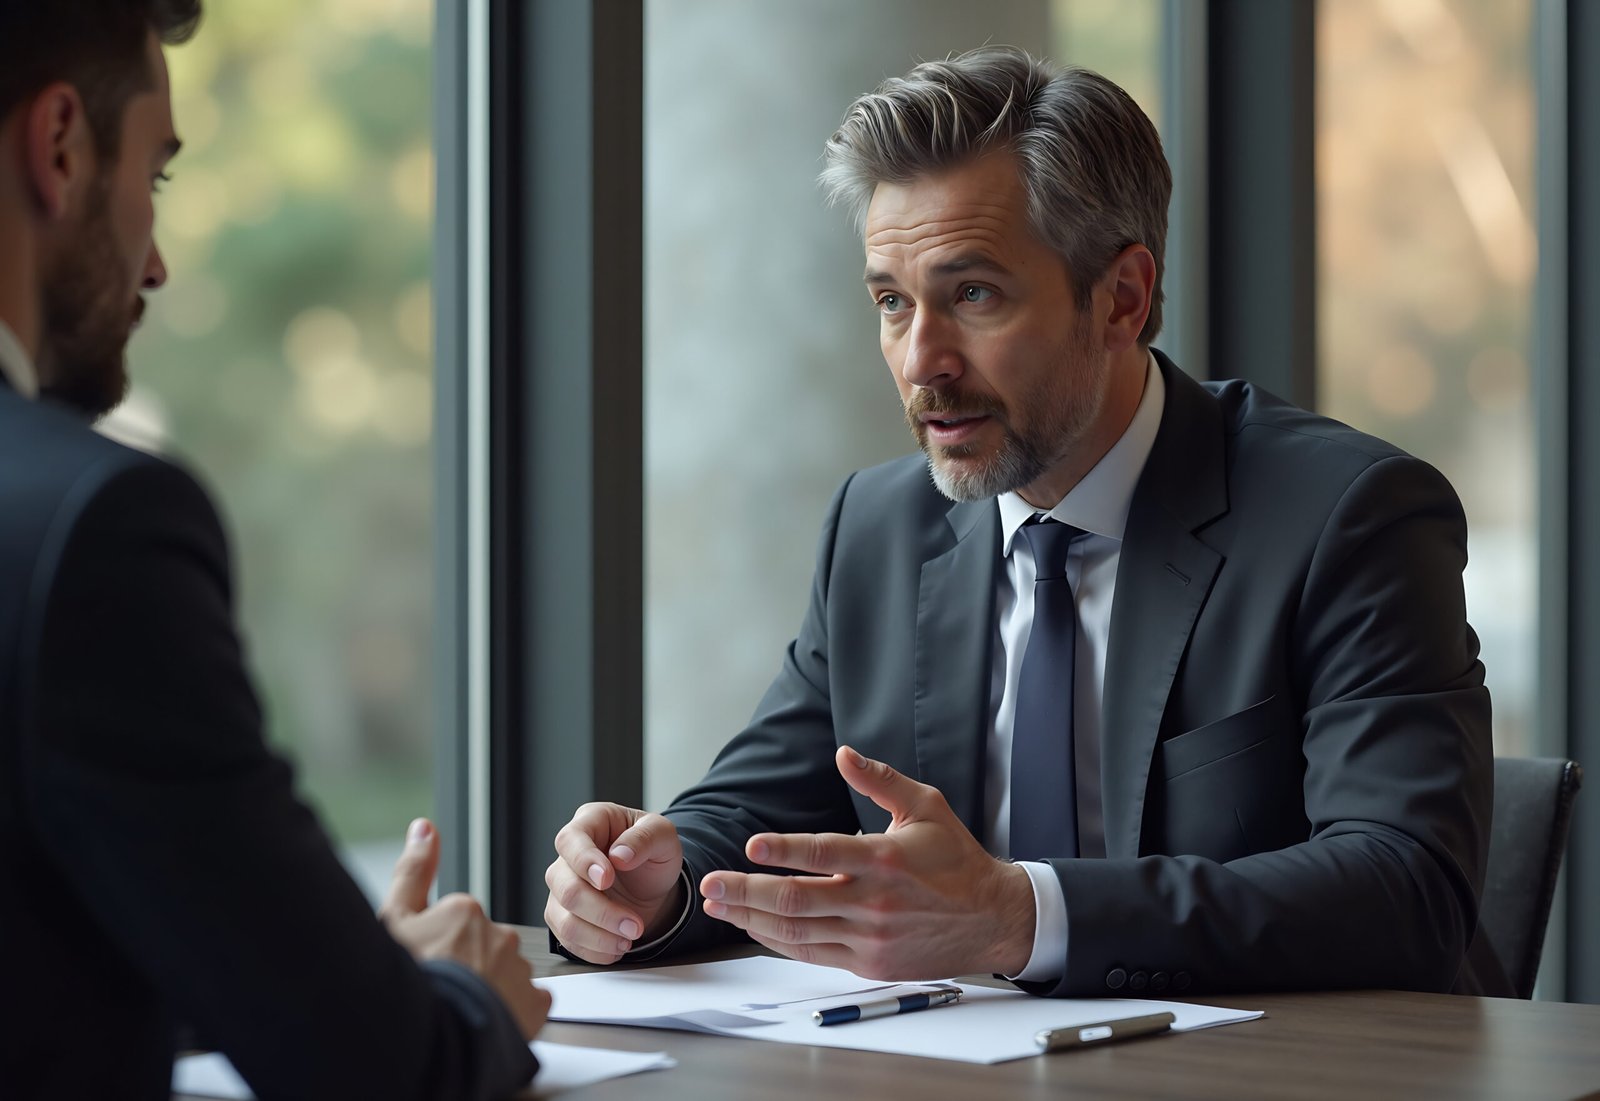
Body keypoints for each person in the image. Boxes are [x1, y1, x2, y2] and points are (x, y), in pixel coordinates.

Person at [545, 45, 1503, 998]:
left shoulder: (1348, 515)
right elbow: (757, 808)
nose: (924, 360)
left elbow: (1406, 885)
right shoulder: (879, 528)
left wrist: (1018, 915)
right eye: (891, 302)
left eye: (974, 294)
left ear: (1121, 298)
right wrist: (650, 885)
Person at [0, 2, 548, 1097]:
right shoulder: (89, 529)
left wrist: (323, 973)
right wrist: (460, 997)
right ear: (60, 146)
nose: (153, 264)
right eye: (152, 179)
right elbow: (381, 1070)